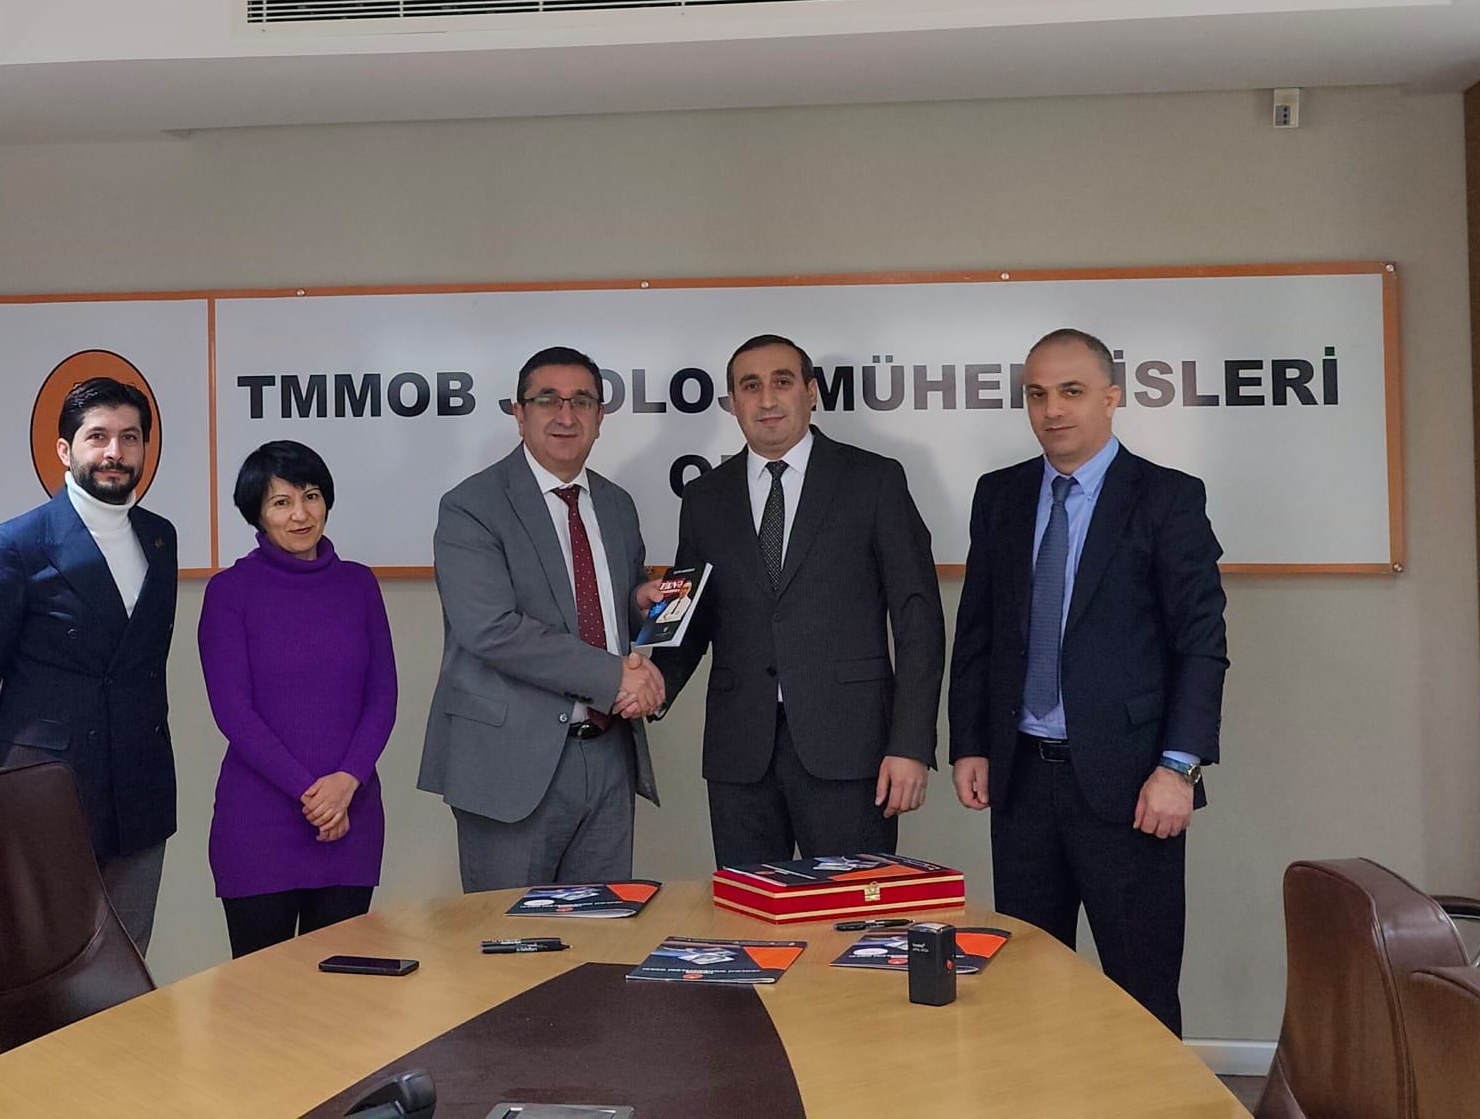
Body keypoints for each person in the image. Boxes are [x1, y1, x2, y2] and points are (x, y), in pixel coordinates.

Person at [949, 328, 1229, 1036]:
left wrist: (1179, 768)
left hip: (1132, 786)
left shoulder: (1166, 497)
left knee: (1141, 994)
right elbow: (977, 630)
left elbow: (1201, 645)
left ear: (1111, 397)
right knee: (1026, 993)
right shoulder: (1000, 495)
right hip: (1021, 783)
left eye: (1071, 391)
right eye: (1037, 394)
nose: (1052, 410)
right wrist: (970, 743)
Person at [654, 334, 944, 866]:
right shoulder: (704, 497)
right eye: (750, 386)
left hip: (850, 748)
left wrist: (910, 744)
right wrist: (650, 684)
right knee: (749, 911)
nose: (766, 399)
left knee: (849, 910)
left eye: (782, 382)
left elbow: (918, 620)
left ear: (811, 392)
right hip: (740, 754)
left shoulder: (873, 479)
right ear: (732, 402)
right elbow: (690, 617)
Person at [417, 346, 667, 892]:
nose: (566, 415)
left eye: (582, 401)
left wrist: (639, 602)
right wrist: (614, 677)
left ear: (600, 416)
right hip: (510, 762)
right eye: (548, 400)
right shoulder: (471, 505)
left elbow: (598, 607)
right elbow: (491, 629)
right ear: (519, 412)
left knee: (602, 931)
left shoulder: (617, 505)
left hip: (608, 754)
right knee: (511, 935)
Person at [0, 376, 177, 952]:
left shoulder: (160, 538)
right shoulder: (16, 545)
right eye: (97, 436)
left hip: (141, 789)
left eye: (129, 437)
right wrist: (12, 775)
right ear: (64, 449)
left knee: (127, 967)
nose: (115, 452)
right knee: (48, 967)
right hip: (45, 799)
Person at [199, 440, 398, 958]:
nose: (301, 514)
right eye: (281, 502)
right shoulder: (229, 592)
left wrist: (346, 784)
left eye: (311, 496)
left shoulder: (359, 584)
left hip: (351, 818)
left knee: (341, 989)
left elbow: (382, 698)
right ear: (257, 514)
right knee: (260, 992)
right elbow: (234, 713)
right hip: (259, 824)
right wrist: (315, 795)